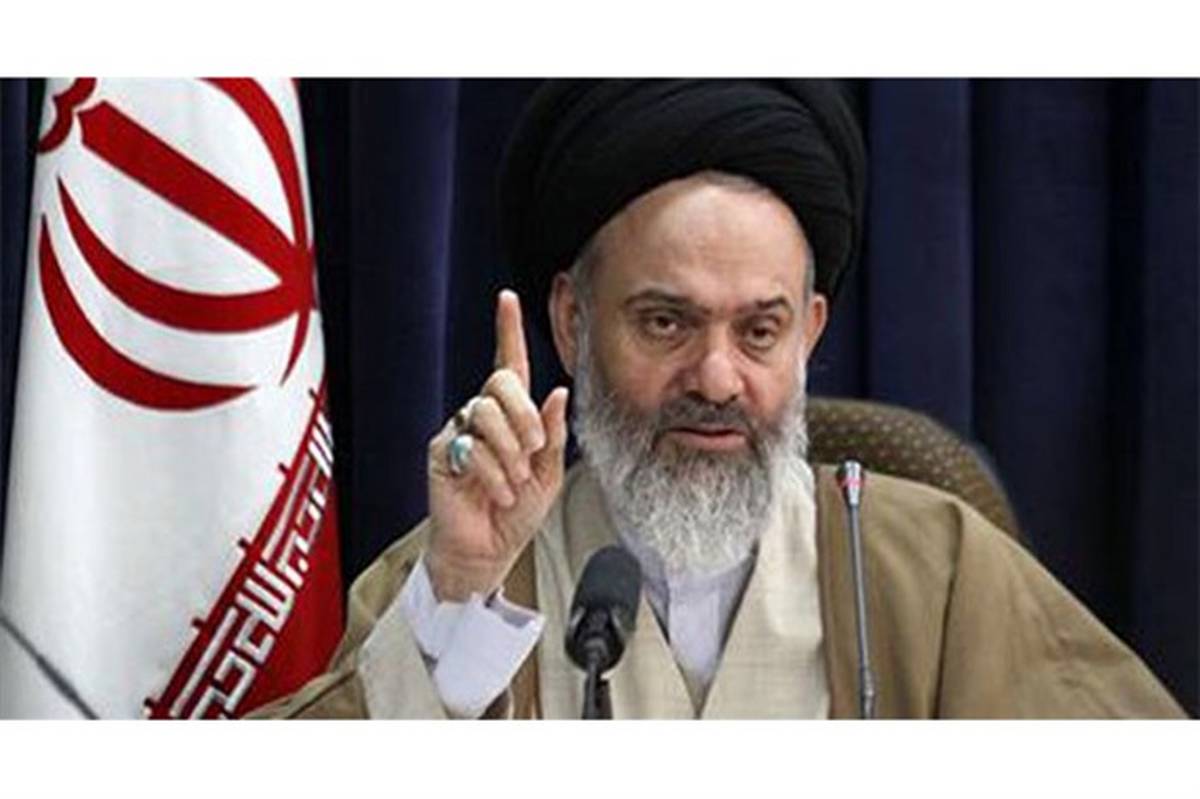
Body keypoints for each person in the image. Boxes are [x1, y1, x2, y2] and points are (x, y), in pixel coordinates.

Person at [256, 80, 1184, 719]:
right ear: (573, 322)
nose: (716, 376)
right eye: (667, 322)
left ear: (810, 332)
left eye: (760, 330)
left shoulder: (934, 574)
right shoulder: (467, 567)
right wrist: (454, 614)